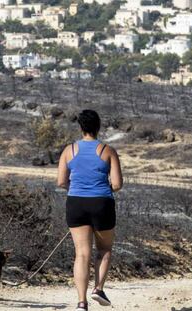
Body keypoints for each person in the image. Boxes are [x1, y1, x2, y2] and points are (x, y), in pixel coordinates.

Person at [57, 109, 123, 311]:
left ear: (80, 127)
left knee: (81, 254)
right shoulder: (107, 150)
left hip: (76, 203)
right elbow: (118, 184)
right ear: (98, 126)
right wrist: (100, 189)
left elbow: (61, 181)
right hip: (101, 203)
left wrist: (78, 189)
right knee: (104, 250)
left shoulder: (69, 150)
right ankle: (98, 289)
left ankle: (81, 303)